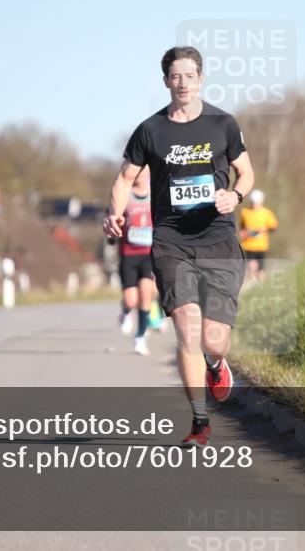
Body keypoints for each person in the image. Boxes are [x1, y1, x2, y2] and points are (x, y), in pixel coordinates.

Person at [104, 46, 254, 448]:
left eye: (190, 75)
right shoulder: (150, 130)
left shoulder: (223, 124)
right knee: (187, 327)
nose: (183, 82)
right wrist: (114, 212)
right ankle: (200, 421)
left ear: (201, 78)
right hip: (171, 241)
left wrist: (235, 196)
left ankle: (216, 363)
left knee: (213, 340)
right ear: (166, 81)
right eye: (176, 76)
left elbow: (246, 172)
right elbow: (124, 179)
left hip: (218, 240)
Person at [117, 168, 156, 355]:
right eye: (138, 172)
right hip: (129, 254)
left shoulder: (155, 193)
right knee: (131, 299)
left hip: (149, 254)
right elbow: (112, 216)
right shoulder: (126, 195)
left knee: (146, 294)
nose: (140, 175)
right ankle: (125, 311)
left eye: (144, 172)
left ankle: (140, 337)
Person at [238, 189, 278, 284]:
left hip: (261, 245)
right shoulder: (245, 212)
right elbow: (242, 227)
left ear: (261, 202)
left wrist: (264, 229)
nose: (254, 204)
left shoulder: (266, 213)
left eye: (256, 202)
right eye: (253, 202)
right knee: (251, 265)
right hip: (248, 244)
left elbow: (273, 227)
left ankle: (261, 285)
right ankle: (253, 282)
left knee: (260, 270)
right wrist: (243, 233)